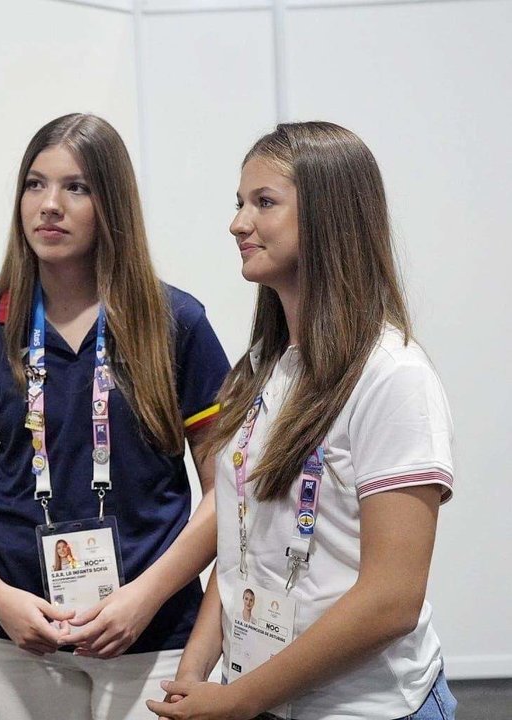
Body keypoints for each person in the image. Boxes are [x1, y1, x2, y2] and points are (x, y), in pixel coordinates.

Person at [148, 122, 456, 720]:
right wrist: (192, 673)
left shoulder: (394, 377)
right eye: (239, 203)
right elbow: (242, 544)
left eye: (264, 203)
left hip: (366, 708)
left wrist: (236, 701)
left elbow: (391, 600)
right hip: (263, 699)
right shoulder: (260, 367)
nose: (239, 223)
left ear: (329, 217)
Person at [0, 113, 230, 720]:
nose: (50, 206)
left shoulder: (176, 323)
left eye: (76, 188)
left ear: (112, 203)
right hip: (21, 627)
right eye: (35, 185)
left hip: (148, 624)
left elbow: (228, 487)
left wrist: (145, 598)